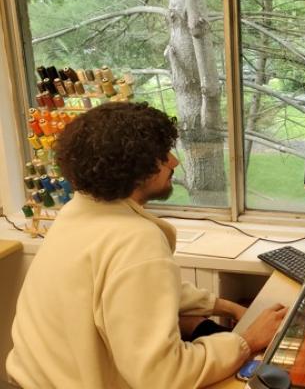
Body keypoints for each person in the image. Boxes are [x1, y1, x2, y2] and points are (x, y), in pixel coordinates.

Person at [6, 102, 287, 388]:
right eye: (162, 156)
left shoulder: (78, 212)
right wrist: (246, 341)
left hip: (29, 379)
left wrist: (223, 306)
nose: (174, 161)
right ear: (134, 169)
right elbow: (163, 376)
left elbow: (135, 289)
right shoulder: (135, 240)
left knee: (191, 324)